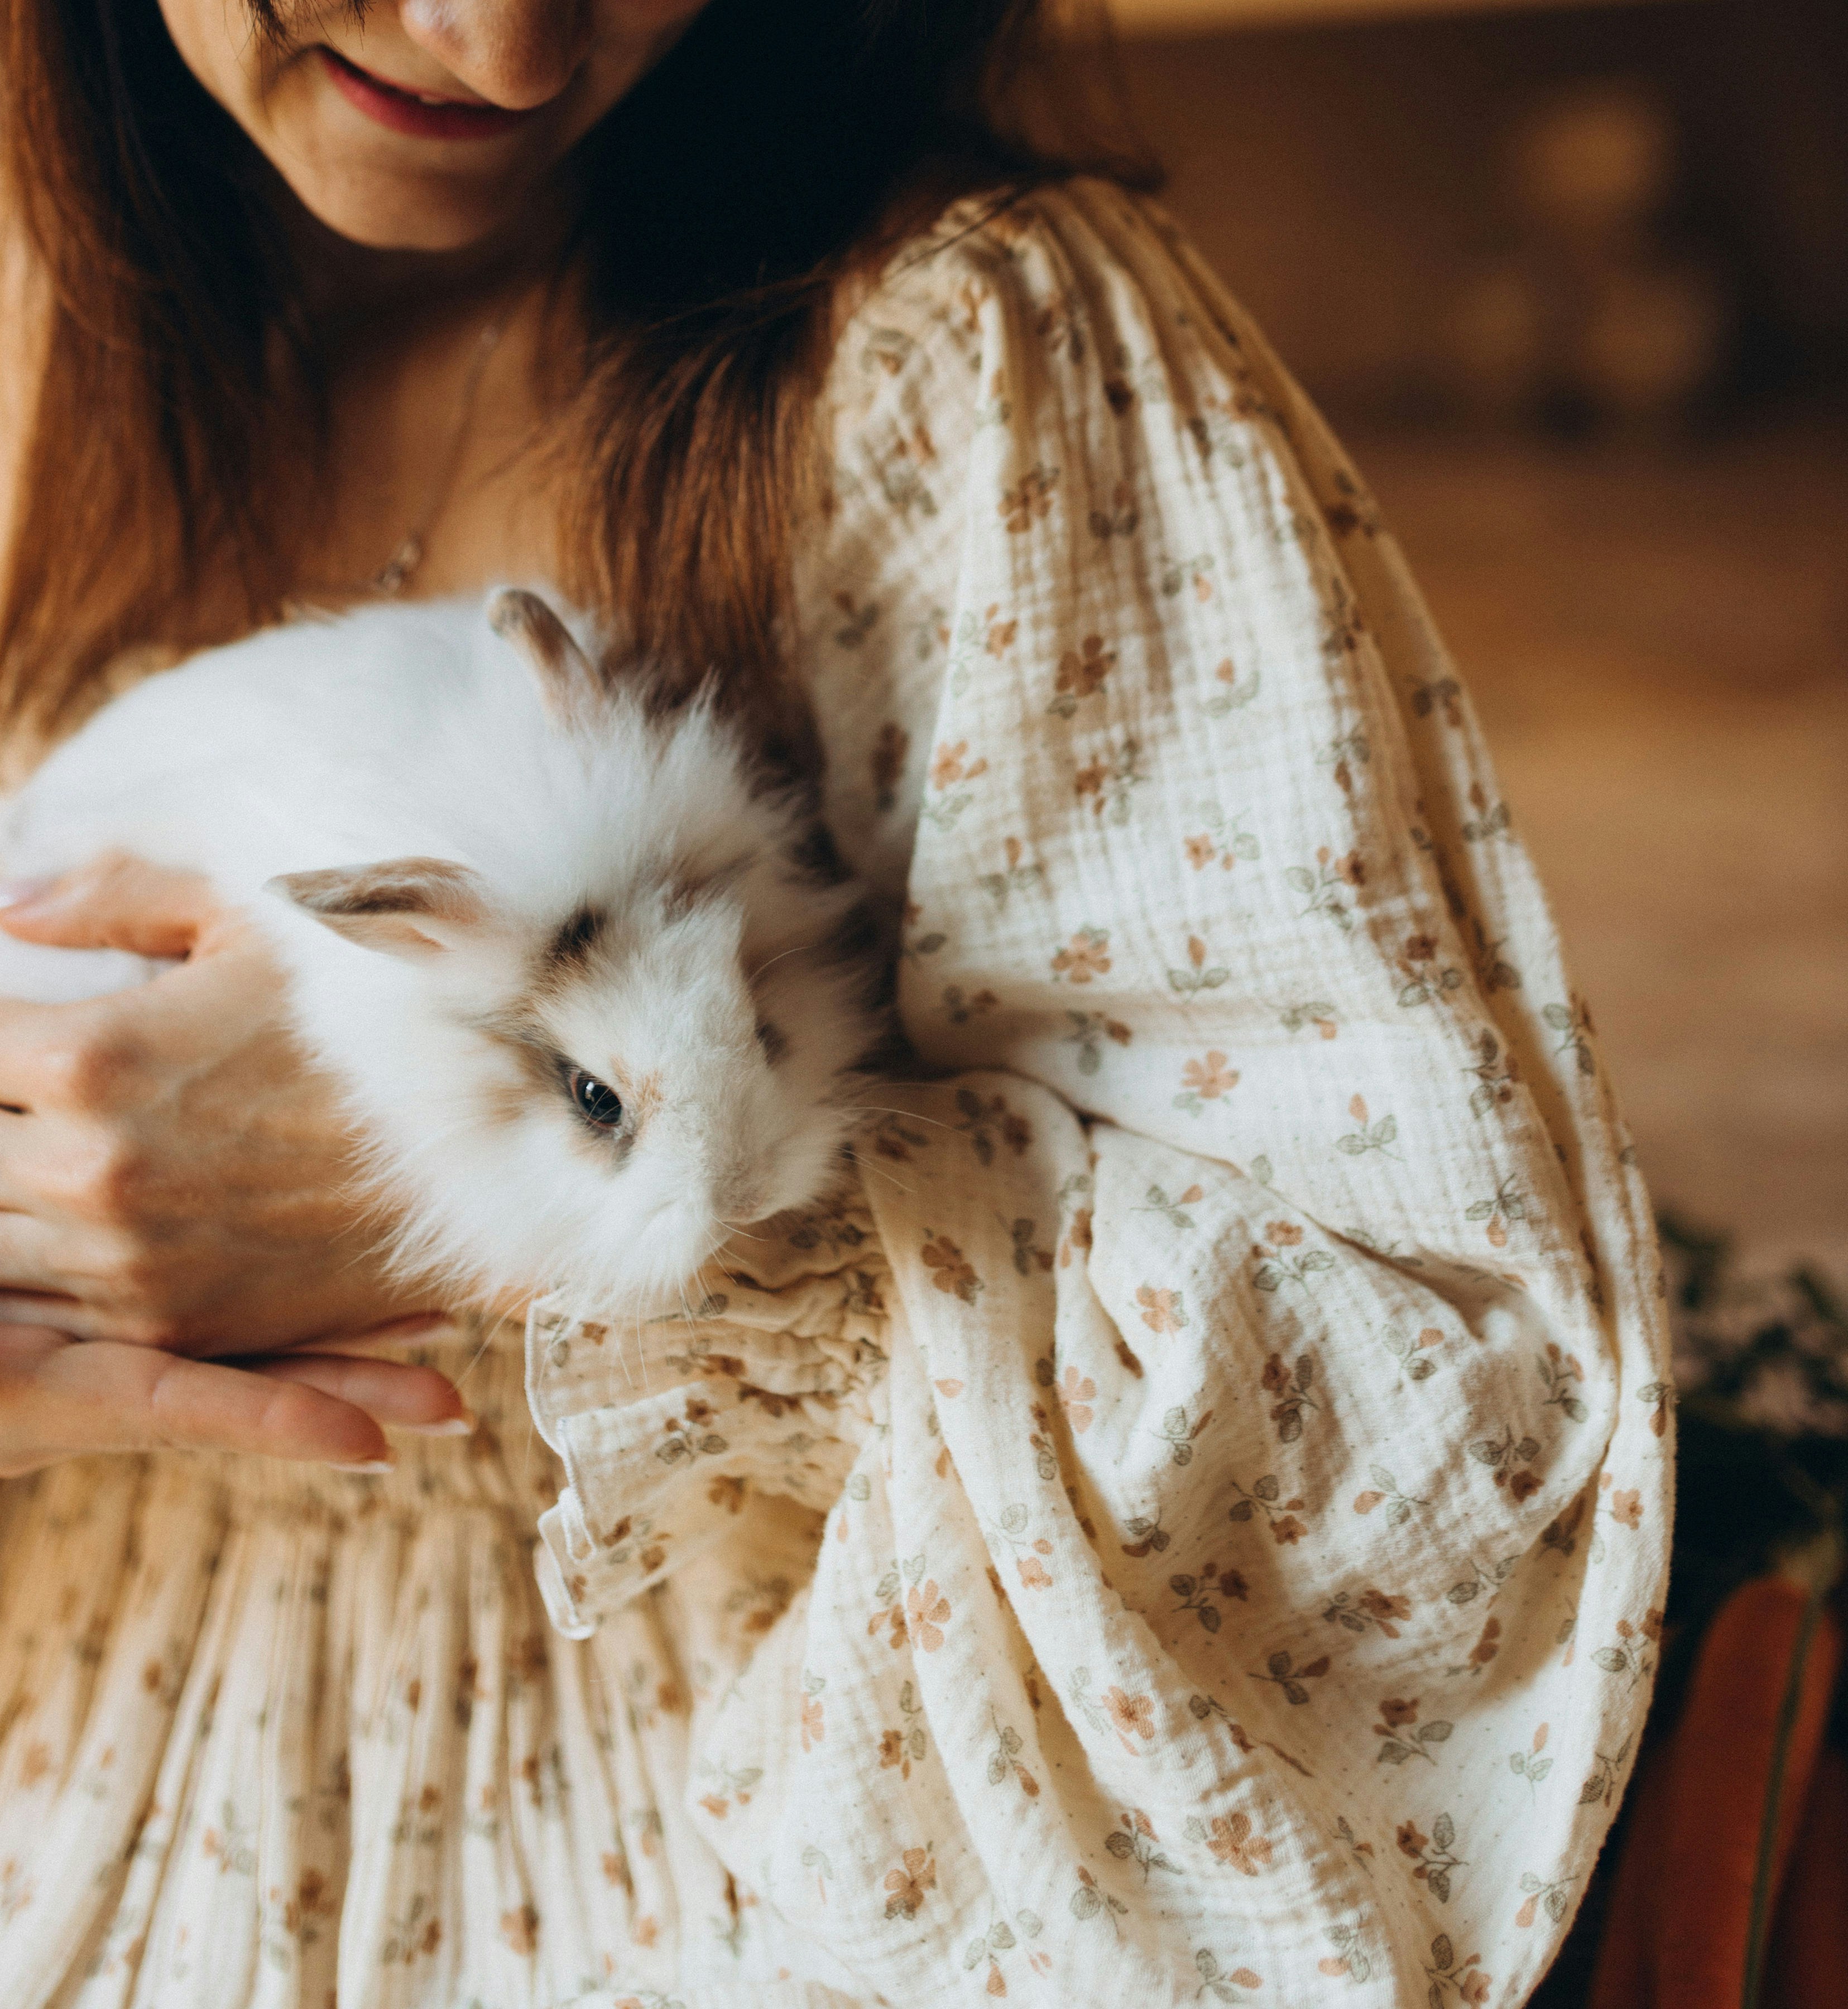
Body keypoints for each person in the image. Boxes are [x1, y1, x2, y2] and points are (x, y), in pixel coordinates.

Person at [0, 4, 1672, 2004]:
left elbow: (1436, 1407)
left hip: (749, 1830)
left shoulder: (984, 365)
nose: (504, 45)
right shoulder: (30, 322)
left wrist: (444, 1213)